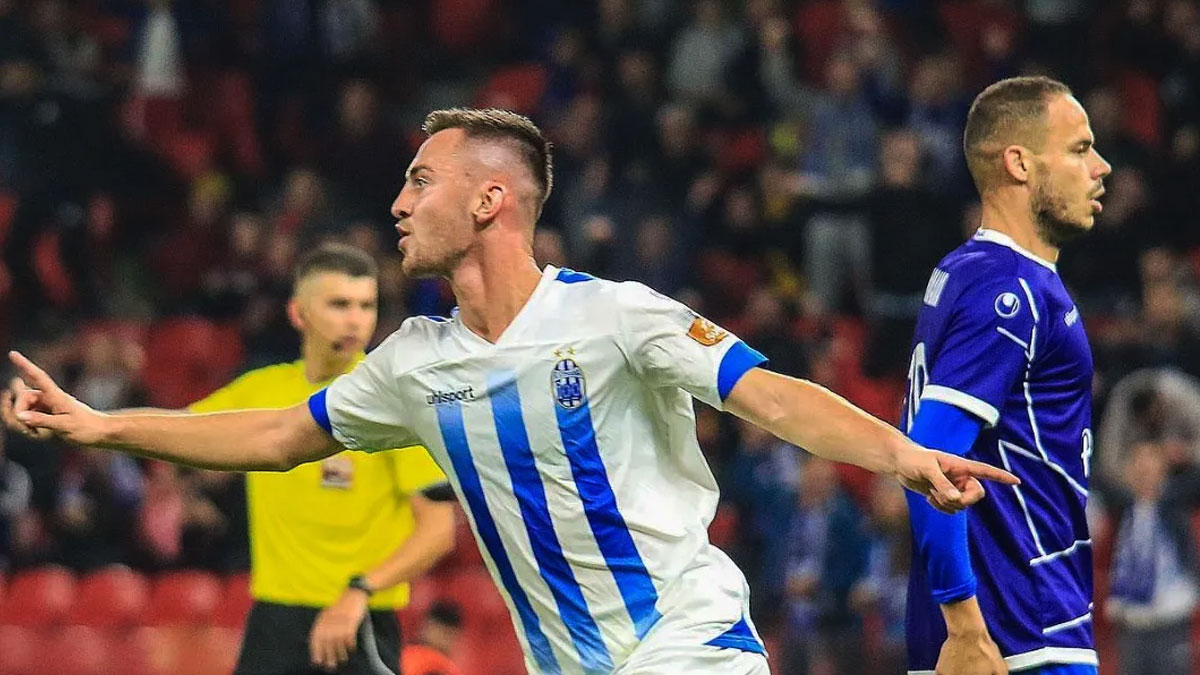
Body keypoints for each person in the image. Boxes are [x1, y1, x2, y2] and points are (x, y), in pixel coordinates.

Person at [4, 107, 1017, 675]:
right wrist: (102, 427)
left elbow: (773, 397)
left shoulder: (618, 315)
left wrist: (901, 454)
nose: (397, 202)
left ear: (491, 199)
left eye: (420, 180)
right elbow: (274, 437)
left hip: (686, 644)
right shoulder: (412, 363)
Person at [115, 243, 457, 674]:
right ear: (298, 313)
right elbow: (178, 433)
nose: (356, 319)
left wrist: (361, 591)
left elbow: (438, 532)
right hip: (274, 621)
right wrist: (89, 421)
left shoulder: (389, 400)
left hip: (357, 618)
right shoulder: (262, 391)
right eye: (339, 304)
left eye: (366, 305)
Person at [900, 76, 1111, 675]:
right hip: (1020, 630)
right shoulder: (1008, 290)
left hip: (997, 626)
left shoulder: (966, 271)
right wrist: (964, 624)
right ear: (1019, 163)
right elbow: (928, 459)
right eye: (1079, 149)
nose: (1101, 167)